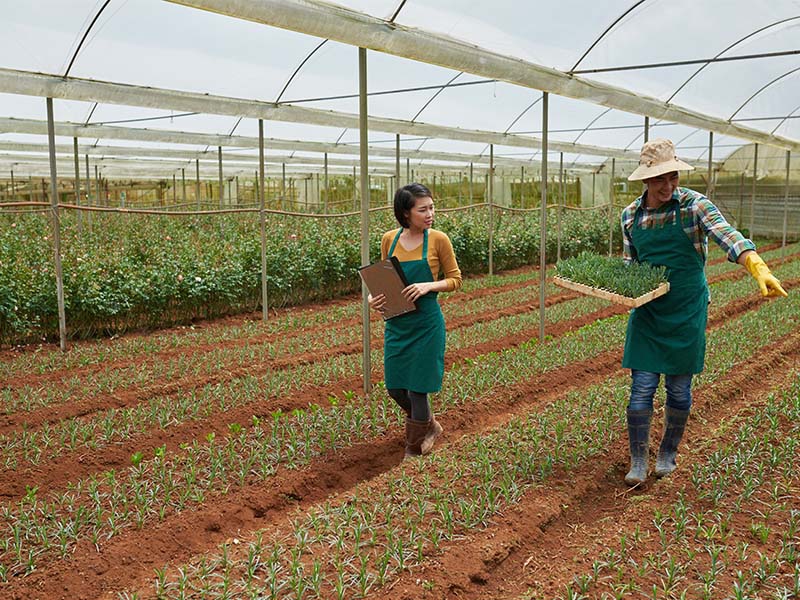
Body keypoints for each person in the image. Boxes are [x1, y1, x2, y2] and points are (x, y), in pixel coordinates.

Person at [620, 138, 787, 486]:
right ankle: (638, 460)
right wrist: (624, 289)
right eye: (659, 180)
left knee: (678, 391)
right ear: (645, 180)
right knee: (641, 390)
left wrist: (755, 263)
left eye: (673, 177)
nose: (667, 186)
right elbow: (630, 264)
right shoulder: (630, 216)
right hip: (649, 314)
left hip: (686, 309)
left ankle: (667, 453)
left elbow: (726, 235)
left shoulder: (695, 206)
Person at [368, 183, 462, 459]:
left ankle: (413, 449)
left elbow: (455, 279)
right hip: (398, 323)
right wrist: (374, 300)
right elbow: (385, 280)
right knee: (395, 388)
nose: (430, 213)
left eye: (431, 207)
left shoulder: (439, 240)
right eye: (423, 209)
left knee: (418, 390)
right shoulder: (390, 239)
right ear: (406, 213)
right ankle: (428, 425)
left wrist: (428, 286)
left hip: (426, 323)